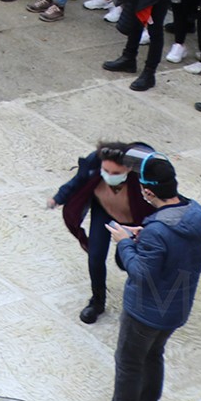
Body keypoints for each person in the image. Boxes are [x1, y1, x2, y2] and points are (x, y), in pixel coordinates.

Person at [107, 153, 201, 401]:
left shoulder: (158, 231)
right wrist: (147, 236)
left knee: (129, 364)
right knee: (154, 355)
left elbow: (141, 273)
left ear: (148, 192)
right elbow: (177, 249)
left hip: (145, 312)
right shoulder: (200, 216)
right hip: (177, 309)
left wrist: (124, 244)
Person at [49, 140, 155, 327]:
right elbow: (77, 182)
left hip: (134, 218)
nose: (109, 176)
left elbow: (163, 198)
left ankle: (138, 301)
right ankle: (97, 301)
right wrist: (59, 198)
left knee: (125, 261)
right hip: (103, 212)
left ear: (129, 169)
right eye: (106, 171)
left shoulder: (144, 177)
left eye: (116, 173)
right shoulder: (94, 164)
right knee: (95, 257)